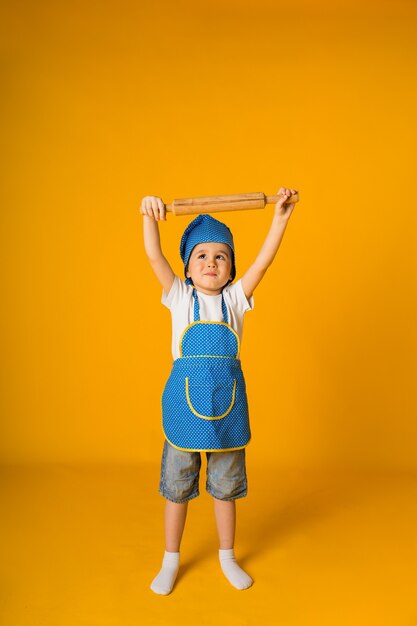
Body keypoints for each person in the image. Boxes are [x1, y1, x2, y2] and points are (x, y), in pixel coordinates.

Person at [140, 187, 297, 595]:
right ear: (188, 269)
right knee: (177, 488)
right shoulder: (178, 297)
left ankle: (227, 555)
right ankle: (170, 560)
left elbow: (265, 262)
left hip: (228, 413)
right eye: (201, 256)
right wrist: (148, 216)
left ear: (231, 270)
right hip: (183, 412)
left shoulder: (236, 300)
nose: (211, 262)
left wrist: (279, 218)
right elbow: (154, 256)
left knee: (225, 488)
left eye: (221, 256)